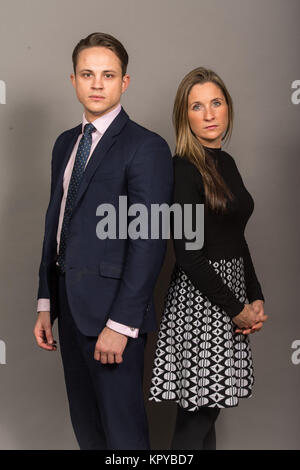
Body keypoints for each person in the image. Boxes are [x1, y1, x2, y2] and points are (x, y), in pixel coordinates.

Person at [33, 32, 173, 450]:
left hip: (114, 318)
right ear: (73, 80)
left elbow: (149, 241)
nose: (97, 84)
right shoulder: (64, 144)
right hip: (69, 310)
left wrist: (122, 324)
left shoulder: (146, 147)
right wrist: (46, 302)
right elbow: (57, 222)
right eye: (88, 74)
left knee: (123, 438)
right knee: (88, 432)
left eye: (108, 75)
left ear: (124, 82)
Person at [149, 67, 268, 450]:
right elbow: (188, 255)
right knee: (197, 418)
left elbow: (237, 239)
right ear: (185, 117)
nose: (210, 113)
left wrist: (256, 296)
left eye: (216, 102)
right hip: (200, 305)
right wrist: (236, 308)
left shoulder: (227, 163)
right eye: (197, 106)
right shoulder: (183, 169)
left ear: (227, 107)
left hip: (231, 299)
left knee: (206, 411)